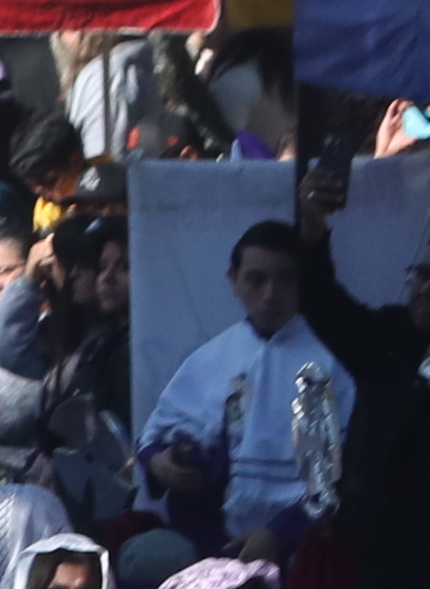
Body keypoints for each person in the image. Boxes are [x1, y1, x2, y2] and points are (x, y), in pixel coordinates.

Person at [138, 221, 351, 550]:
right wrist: (157, 462)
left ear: (302, 283)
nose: (270, 294)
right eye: (256, 279)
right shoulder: (210, 357)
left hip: (294, 548)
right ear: (233, 280)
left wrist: (279, 533)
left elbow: (337, 477)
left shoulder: (329, 362)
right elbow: (153, 436)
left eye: (284, 280)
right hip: (204, 544)